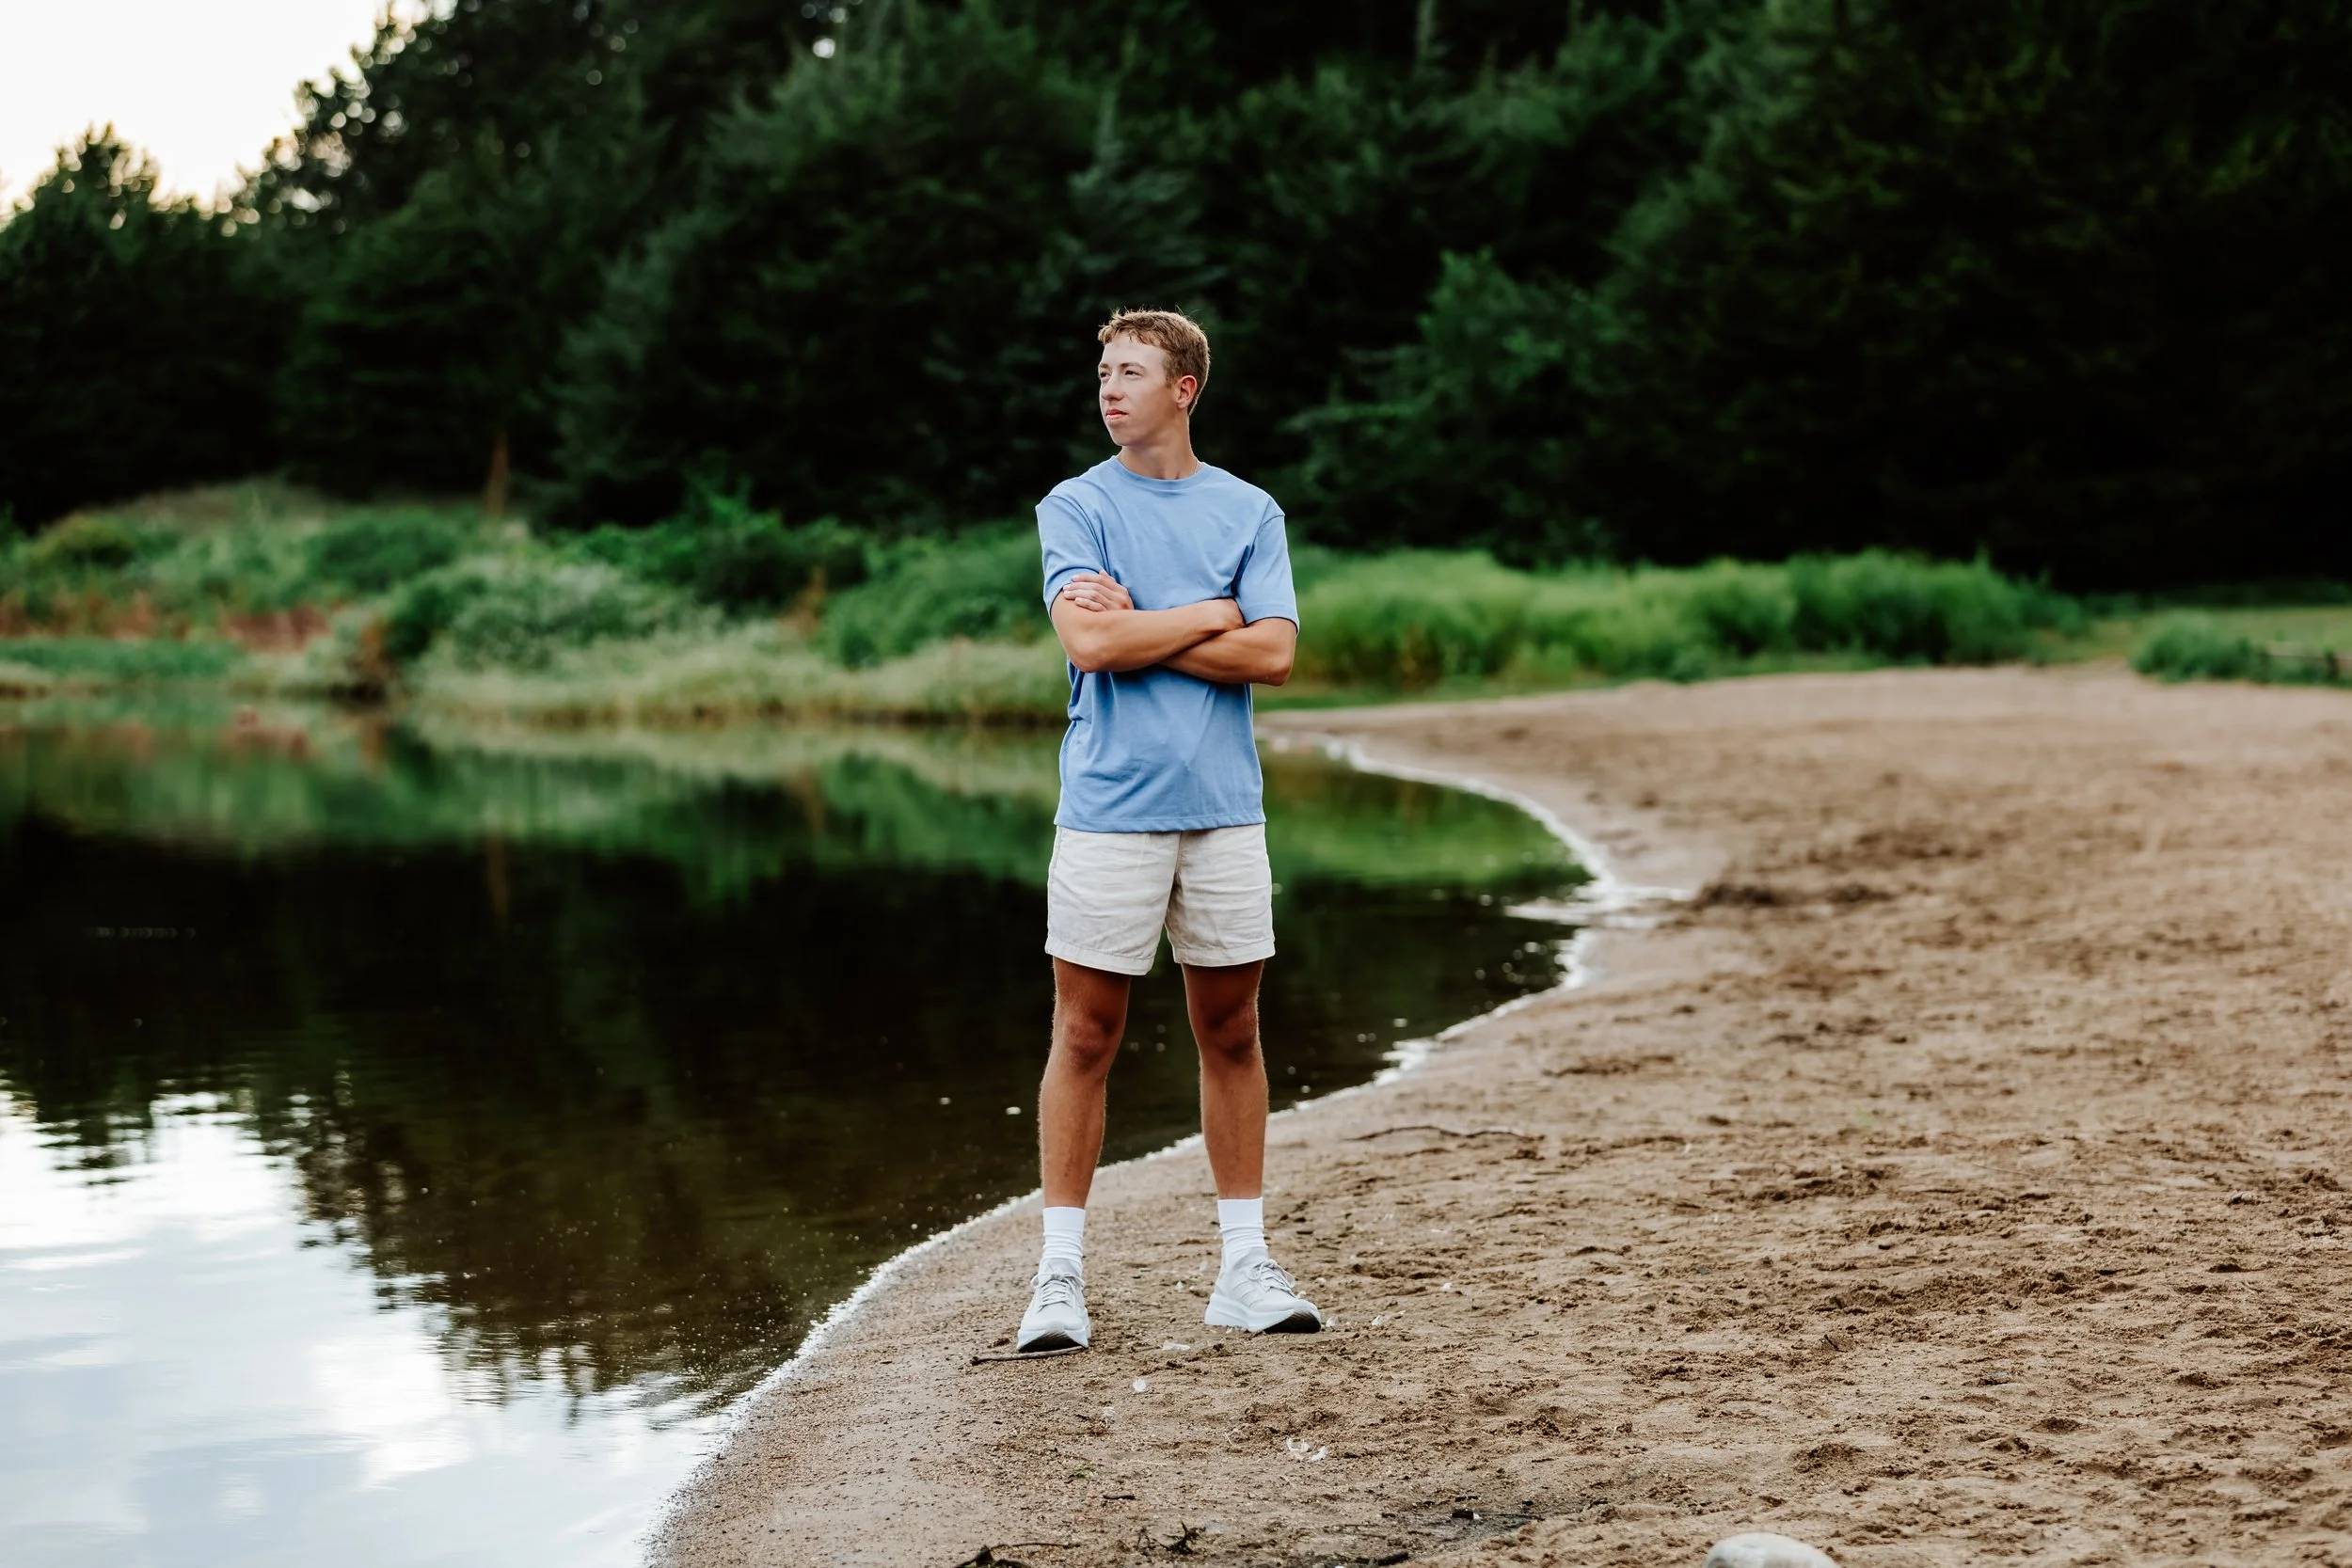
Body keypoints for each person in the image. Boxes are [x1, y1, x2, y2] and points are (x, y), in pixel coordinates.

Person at [1015, 308, 1321, 1353]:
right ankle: (1058, 1276)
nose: (1108, 388)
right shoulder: (1076, 505)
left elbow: (1274, 657)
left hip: (1225, 811)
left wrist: (1156, 619)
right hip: (1109, 809)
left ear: (1182, 388)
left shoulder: (1248, 510)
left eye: (1131, 371)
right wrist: (1213, 612)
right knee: (1086, 1032)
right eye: (1102, 371)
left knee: (1231, 1029)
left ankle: (1244, 1264)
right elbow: (1089, 640)